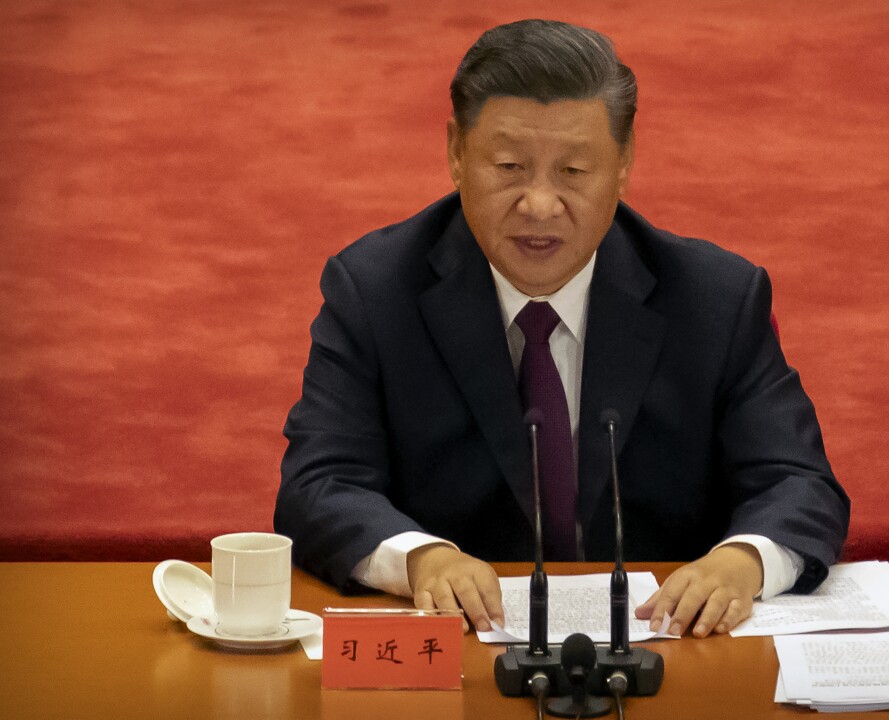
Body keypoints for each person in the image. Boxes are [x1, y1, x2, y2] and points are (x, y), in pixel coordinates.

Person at [275, 19, 848, 639]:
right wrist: (420, 558)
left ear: (624, 163)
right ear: (455, 154)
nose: (540, 204)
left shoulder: (715, 297)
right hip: (463, 652)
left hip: (669, 649)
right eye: (509, 166)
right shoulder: (376, 290)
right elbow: (318, 485)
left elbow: (800, 482)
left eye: (574, 172)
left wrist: (742, 563)